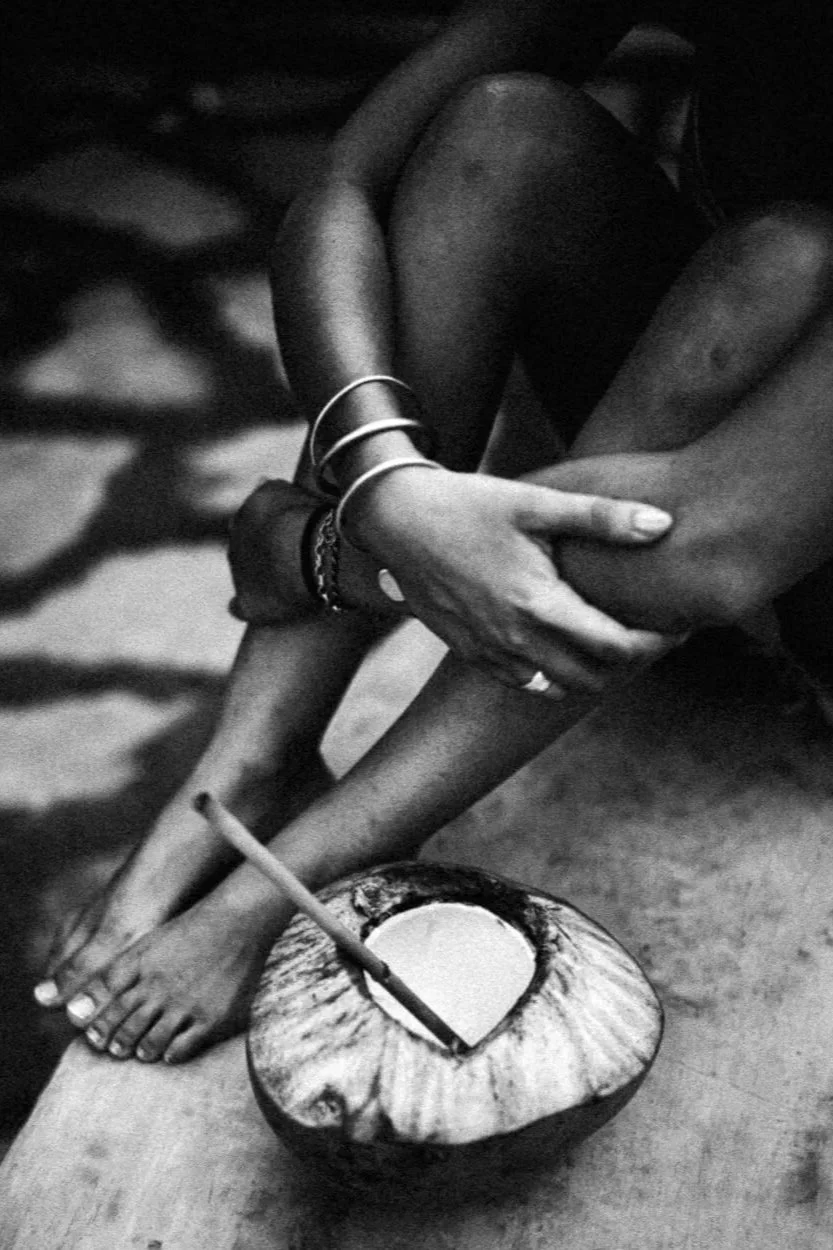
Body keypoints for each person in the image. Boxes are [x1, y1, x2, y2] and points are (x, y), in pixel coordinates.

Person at [34, 0, 833, 1064]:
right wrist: (386, 486)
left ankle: (298, 879)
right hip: (740, 435)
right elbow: (345, 186)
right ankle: (245, 765)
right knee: (499, 137)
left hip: (768, 545)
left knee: (785, 256)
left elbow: (707, 549)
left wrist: (320, 553)